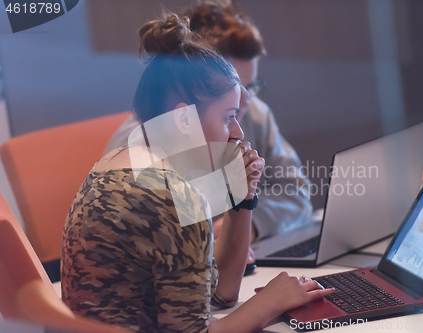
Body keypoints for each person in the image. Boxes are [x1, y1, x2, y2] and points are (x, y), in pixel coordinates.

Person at [61, 13, 334, 333]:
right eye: (228, 117)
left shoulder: (115, 163)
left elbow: (219, 295)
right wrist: (271, 300)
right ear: (184, 120)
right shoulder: (174, 200)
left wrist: (242, 200)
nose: (237, 133)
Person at [104, 1, 312, 244]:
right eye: (234, 89)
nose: (245, 102)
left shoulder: (255, 114)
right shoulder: (137, 146)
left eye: (251, 86)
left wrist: (250, 226)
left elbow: (296, 191)